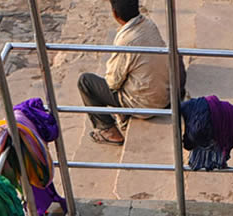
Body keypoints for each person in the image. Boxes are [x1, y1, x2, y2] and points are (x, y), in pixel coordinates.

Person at [77, 0, 185, 146]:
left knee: (85, 82)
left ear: (115, 14)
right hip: (167, 96)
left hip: (145, 105)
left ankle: (107, 130)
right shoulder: (149, 24)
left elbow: (113, 83)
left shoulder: (125, 41)